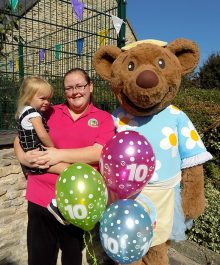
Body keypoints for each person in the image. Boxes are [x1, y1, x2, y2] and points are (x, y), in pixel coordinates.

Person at [14, 68, 115, 265]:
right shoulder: (50, 111)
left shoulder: (103, 118)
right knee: (39, 258)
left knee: (72, 258)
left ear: (90, 87)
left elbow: (98, 152)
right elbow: (21, 137)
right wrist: (24, 159)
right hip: (41, 198)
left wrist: (57, 155)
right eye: (69, 88)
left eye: (80, 86)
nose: (74, 92)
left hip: (77, 201)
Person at [15, 76, 54, 174]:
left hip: (29, 153)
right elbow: (42, 135)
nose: (47, 102)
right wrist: (53, 148)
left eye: (48, 99)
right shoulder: (34, 114)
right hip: (38, 153)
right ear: (28, 97)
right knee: (63, 166)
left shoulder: (23, 110)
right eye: (42, 98)